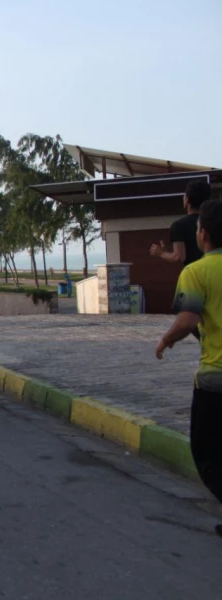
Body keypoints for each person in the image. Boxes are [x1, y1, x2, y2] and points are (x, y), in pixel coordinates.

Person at [155, 199, 222, 536]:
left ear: (204, 234)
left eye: (197, 228)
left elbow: (186, 320)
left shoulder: (196, 272)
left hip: (216, 378)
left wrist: (166, 340)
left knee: (206, 452)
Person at [151, 178, 211, 340]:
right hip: (215, 273)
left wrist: (160, 253)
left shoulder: (179, 226)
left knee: (192, 320)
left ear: (188, 200)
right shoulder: (214, 222)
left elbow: (179, 256)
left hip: (195, 280)